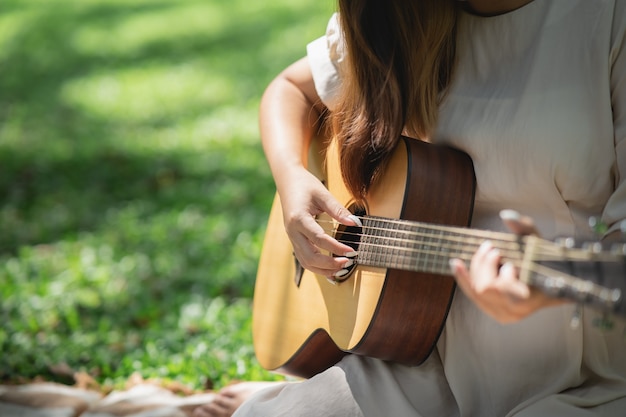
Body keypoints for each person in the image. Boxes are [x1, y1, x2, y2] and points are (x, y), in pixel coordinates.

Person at [194, 0, 626, 416]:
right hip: (423, 361)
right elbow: (290, 89)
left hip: (590, 378)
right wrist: (292, 177)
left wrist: (544, 293)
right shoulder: (406, 16)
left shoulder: (608, 17)